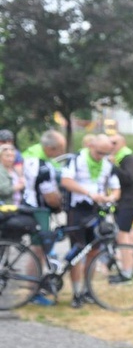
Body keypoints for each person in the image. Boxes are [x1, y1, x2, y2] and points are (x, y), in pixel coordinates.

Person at [60, 134, 121, 308]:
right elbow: (66, 181)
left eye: (105, 153)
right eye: (99, 152)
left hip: (97, 210)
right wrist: (88, 193)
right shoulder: (77, 160)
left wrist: (110, 198)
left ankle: (88, 290)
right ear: (91, 146)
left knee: (93, 251)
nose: (100, 156)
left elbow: (117, 189)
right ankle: (76, 292)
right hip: (77, 210)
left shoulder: (108, 165)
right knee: (78, 251)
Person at [21, 130, 66, 306]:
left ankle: (30, 287)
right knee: (38, 250)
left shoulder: (30, 154)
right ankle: (32, 291)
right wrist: (60, 204)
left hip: (26, 207)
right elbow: (50, 196)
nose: (62, 152)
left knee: (36, 250)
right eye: (60, 148)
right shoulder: (42, 166)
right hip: (38, 211)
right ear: (50, 148)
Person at [108, 134, 133, 283]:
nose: (111, 145)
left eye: (114, 142)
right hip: (123, 202)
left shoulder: (129, 158)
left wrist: (113, 166)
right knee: (124, 236)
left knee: (123, 236)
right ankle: (127, 269)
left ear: (122, 143)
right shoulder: (122, 158)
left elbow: (129, 177)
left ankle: (127, 272)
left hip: (129, 202)